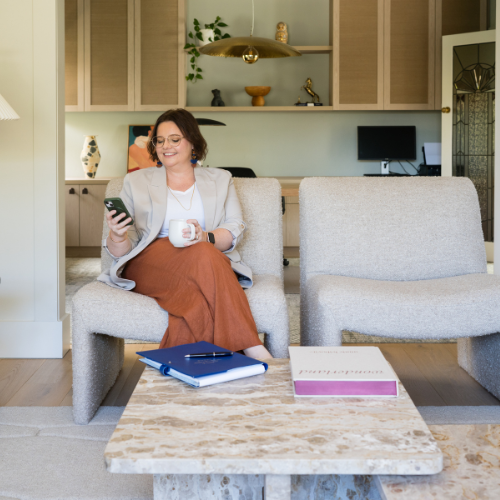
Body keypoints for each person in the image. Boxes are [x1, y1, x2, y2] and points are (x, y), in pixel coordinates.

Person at [98, 108, 272, 360]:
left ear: (193, 142)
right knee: (202, 252)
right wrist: (117, 235)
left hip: (202, 261)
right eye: (159, 140)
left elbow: (235, 227)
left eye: (174, 139)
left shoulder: (220, 179)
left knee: (194, 299)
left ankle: (178, 368)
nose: (165, 146)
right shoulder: (136, 181)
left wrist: (206, 237)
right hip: (149, 263)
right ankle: (252, 347)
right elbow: (124, 250)